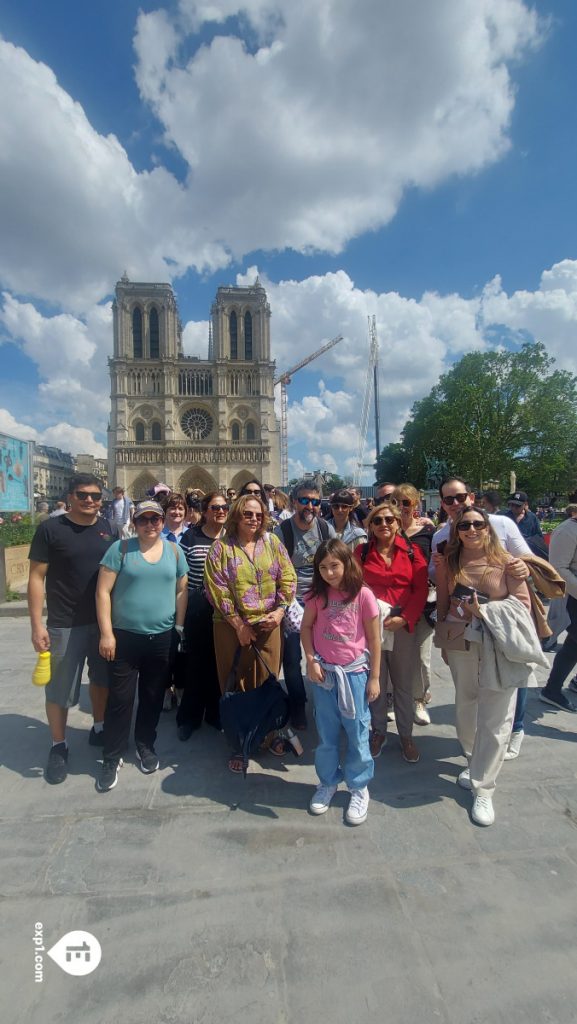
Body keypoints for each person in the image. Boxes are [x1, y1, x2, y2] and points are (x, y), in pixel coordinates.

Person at [435, 505, 536, 826]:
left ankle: (484, 787)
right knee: (465, 708)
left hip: (497, 645)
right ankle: (472, 759)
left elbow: (522, 604)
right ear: (457, 530)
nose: (472, 529)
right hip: (461, 643)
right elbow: (441, 602)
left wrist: (486, 610)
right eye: (465, 525)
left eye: (479, 523)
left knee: (496, 717)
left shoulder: (508, 562)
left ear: (488, 528)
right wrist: (442, 640)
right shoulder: (448, 563)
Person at [27, 474, 119, 784]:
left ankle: (100, 726)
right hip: (64, 623)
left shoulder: (109, 528)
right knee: (60, 688)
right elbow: (36, 578)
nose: (91, 500)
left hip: (103, 621)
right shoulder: (50, 529)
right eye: (83, 495)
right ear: (70, 496)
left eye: (96, 496)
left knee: (102, 679)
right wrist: (37, 624)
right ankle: (58, 745)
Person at [95, 500, 188, 791]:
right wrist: (107, 634)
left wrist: (179, 627)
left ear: (163, 523)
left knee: (151, 697)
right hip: (125, 637)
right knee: (120, 700)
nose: (150, 524)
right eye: (144, 519)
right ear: (134, 523)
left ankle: (145, 744)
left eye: (156, 519)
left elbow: (182, 588)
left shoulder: (174, 550)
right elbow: (102, 592)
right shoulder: (120, 549)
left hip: (161, 637)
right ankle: (111, 756)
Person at [204, 492, 297, 772]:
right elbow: (216, 588)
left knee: (267, 681)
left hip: (269, 624)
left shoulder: (273, 543)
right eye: (248, 514)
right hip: (231, 627)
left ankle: (268, 735)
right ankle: (239, 741)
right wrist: (239, 625)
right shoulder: (221, 548)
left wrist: (280, 612)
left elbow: (288, 578)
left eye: (258, 514)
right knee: (236, 684)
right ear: (236, 516)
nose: (254, 519)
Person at [301, 539, 380, 825]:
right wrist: (310, 660)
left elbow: (374, 638)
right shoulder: (316, 595)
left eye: (334, 565)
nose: (329, 573)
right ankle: (328, 781)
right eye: (323, 567)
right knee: (326, 733)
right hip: (325, 675)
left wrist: (374, 677)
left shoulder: (363, 595)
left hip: (355, 675)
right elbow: (306, 627)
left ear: (347, 563)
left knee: (358, 733)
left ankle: (359, 787)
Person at [355, 502, 428, 763]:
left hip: (402, 625)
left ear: (398, 523)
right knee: (375, 681)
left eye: (389, 520)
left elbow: (420, 589)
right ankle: (378, 732)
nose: (384, 524)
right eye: (377, 521)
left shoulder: (412, 552)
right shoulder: (361, 553)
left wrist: (405, 617)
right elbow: (354, 588)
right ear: (370, 526)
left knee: (403, 684)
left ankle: (406, 735)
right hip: (371, 626)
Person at [273, 479, 335, 730]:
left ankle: (325, 703)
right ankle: (298, 705)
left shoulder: (325, 529)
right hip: (292, 600)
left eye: (315, 502)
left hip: (321, 598)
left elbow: (336, 563)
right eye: (305, 500)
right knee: (291, 656)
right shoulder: (282, 532)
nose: (310, 506)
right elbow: (276, 571)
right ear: (294, 502)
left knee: (325, 654)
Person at [176, 492, 228, 739]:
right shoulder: (191, 537)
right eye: (215, 507)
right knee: (195, 663)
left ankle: (216, 713)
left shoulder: (232, 537)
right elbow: (182, 581)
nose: (220, 511)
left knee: (220, 662)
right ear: (205, 511)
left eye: (224, 507)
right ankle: (190, 717)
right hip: (198, 605)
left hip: (225, 608)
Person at [394, 483, 436, 726]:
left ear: (416, 505)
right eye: (397, 502)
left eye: (406, 503)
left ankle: (419, 699)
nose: (401, 508)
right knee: (392, 653)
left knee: (421, 655)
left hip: (422, 602)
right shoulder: (386, 529)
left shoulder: (427, 532)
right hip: (395, 602)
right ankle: (391, 697)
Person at [539, 503, 577, 713]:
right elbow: (559, 568)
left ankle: (553, 689)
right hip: (575, 597)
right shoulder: (568, 530)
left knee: (573, 644)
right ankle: (552, 690)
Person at [505, 491, 548, 558]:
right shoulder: (504, 517)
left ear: (525, 504)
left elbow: (539, 537)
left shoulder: (532, 517)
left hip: (528, 554)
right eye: (512, 505)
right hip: (508, 554)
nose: (514, 507)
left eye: (517, 506)